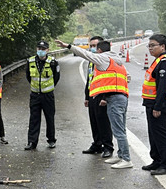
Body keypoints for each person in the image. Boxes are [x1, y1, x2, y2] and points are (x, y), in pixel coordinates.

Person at [55, 38, 133, 169]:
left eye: (95, 48)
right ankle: (120, 155)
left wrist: (68, 46)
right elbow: (128, 77)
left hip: (114, 98)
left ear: (99, 50)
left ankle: (126, 159)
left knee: (118, 131)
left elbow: (84, 54)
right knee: (121, 129)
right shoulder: (117, 61)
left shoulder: (102, 58)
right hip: (121, 96)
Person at [142, 33, 166, 175]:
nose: (150, 48)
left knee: (161, 134)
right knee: (153, 133)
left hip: (159, 105)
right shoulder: (157, 60)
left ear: (162, 46)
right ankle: (156, 161)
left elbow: (163, 86)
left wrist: (158, 106)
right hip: (151, 103)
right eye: (149, 46)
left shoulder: (165, 62)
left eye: (153, 45)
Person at [80, 36, 114, 158]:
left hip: (102, 94)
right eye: (91, 46)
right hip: (92, 94)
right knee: (94, 121)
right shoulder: (92, 60)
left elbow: (108, 80)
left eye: (95, 46)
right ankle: (97, 144)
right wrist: (87, 96)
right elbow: (89, 79)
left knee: (103, 122)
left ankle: (108, 147)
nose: (93, 48)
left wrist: (105, 97)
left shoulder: (105, 61)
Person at [24, 40, 60, 150]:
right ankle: (32, 142)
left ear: (47, 50)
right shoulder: (30, 61)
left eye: (43, 49)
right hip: (35, 95)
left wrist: (47, 88)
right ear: (36, 49)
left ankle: (51, 140)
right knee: (34, 119)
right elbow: (28, 77)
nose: (41, 51)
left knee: (49, 117)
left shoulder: (53, 62)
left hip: (48, 95)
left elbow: (56, 77)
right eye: (39, 49)